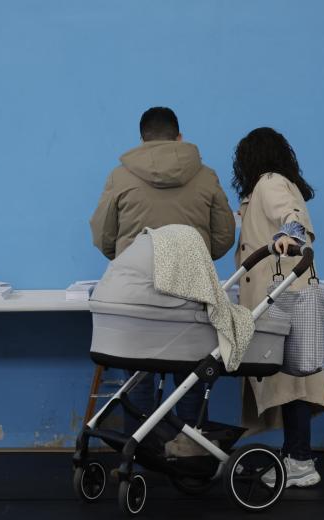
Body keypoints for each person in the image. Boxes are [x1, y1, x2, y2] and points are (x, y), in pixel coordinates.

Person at [90, 106, 236, 431]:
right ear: (179, 138)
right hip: (190, 296)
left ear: (142, 140)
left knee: (138, 376)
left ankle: (139, 455)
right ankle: (188, 451)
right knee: (191, 376)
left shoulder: (120, 176)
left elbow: (103, 234)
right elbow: (225, 234)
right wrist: (191, 260)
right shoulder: (206, 175)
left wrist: (130, 259)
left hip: (137, 301)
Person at [231, 126, 324, 488]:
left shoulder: (270, 182)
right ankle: (296, 455)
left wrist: (291, 234)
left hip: (282, 300)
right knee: (288, 380)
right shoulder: (267, 186)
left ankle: (300, 461)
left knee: (292, 381)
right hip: (279, 298)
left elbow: (293, 218)